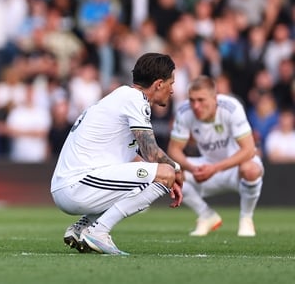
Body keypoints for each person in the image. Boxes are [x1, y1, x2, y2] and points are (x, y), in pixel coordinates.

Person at [50, 52, 184, 255]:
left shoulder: (121, 97)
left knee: (155, 175)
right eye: (170, 83)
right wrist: (175, 171)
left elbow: (138, 158)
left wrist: (165, 174)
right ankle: (99, 232)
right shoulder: (134, 99)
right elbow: (152, 153)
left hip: (69, 185)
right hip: (77, 185)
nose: (172, 90)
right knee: (165, 173)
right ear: (158, 84)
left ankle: (82, 228)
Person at [167, 76, 263, 237]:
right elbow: (173, 150)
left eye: (201, 100)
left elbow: (249, 149)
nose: (196, 106)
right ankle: (206, 215)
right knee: (169, 172)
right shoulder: (184, 111)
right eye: (192, 100)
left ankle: (246, 218)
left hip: (234, 167)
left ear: (214, 98)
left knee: (251, 169)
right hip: (207, 166)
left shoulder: (231, 108)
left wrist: (215, 169)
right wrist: (192, 168)